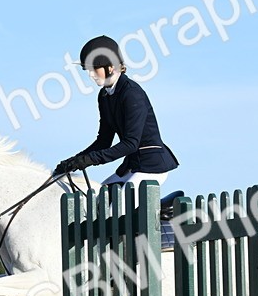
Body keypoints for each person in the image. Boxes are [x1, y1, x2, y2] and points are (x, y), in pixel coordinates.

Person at [55, 35, 178, 191]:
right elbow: (103, 141)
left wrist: (89, 160)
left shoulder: (132, 93)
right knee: (98, 198)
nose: (90, 74)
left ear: (111, 67)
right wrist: (75, 161)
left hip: (152, 167)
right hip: (132, 166)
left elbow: (130, 144)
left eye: (94, 69)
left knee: (113, 211)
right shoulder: (104, 96)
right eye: (88, 70)